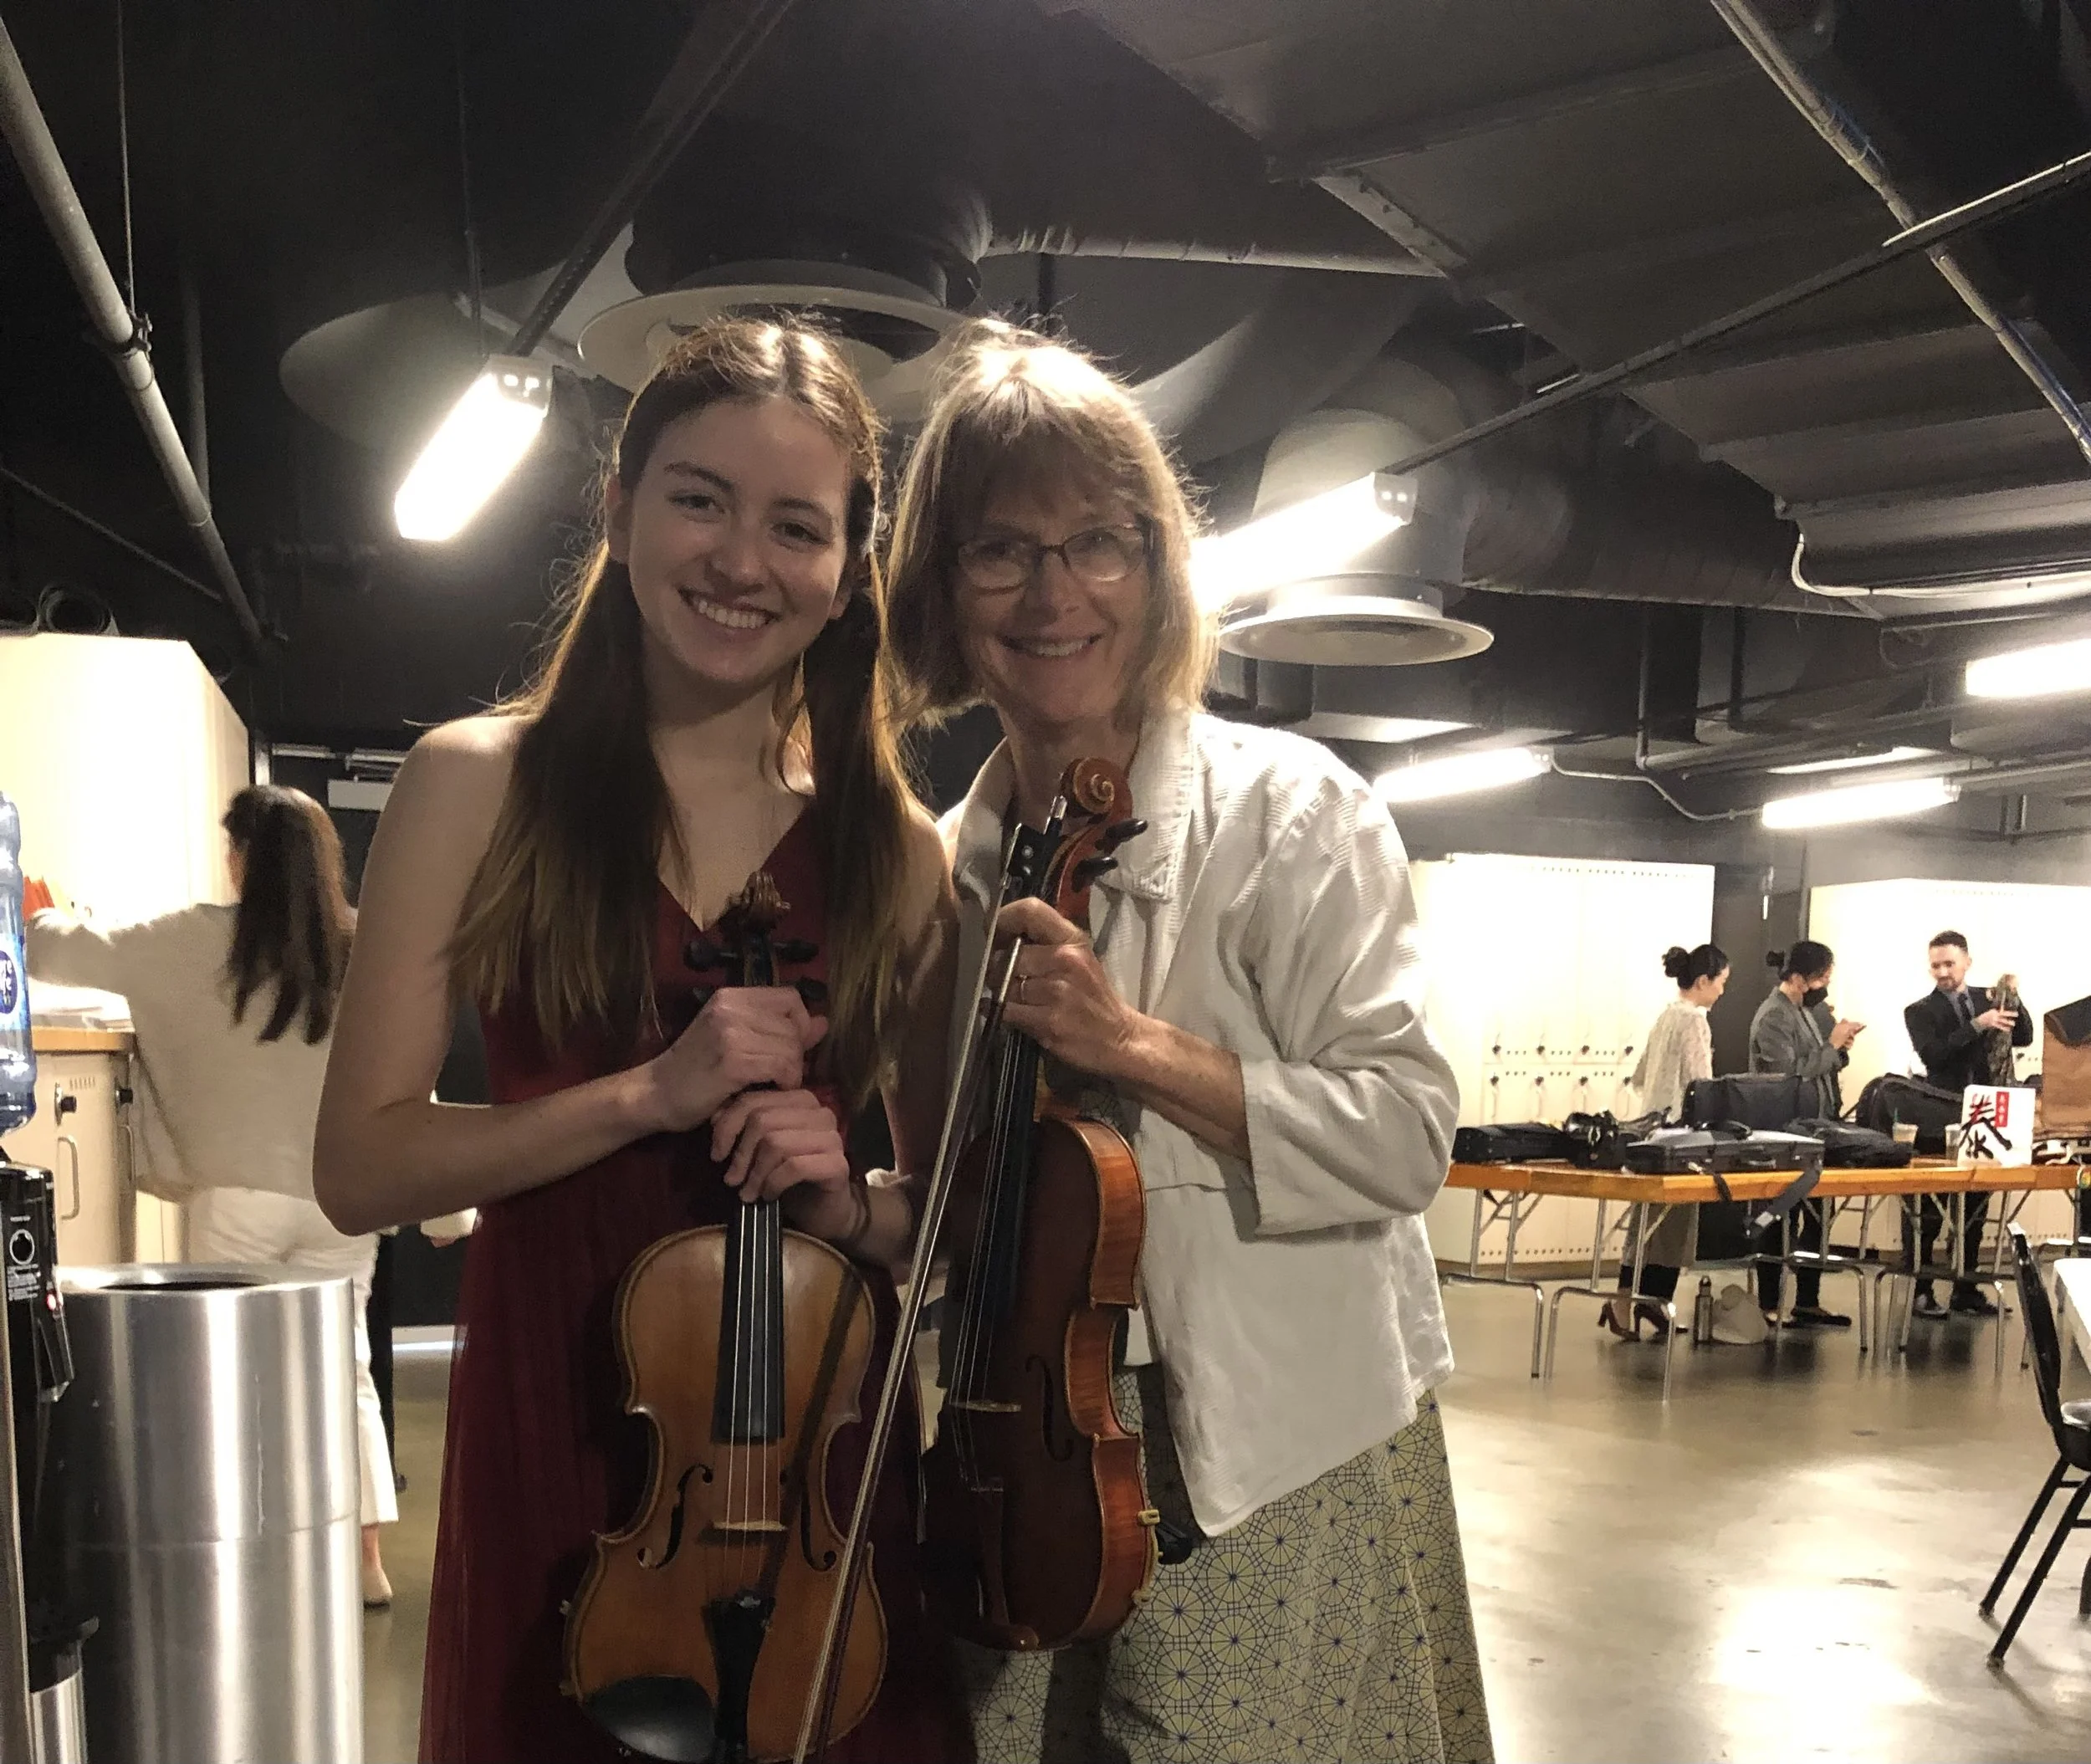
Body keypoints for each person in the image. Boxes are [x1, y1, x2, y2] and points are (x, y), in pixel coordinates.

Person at [312, 317, 970, 1762]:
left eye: (797, 525)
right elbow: (362, 1166)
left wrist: (847, 1198)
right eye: (700, 498)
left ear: (847, 564)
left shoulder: (898, 850)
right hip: (558, 1426)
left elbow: (950, 1223)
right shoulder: (476, 783)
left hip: (811, 1465)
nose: (743, 559)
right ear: (617, 508)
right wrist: (648, 1091)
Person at [882, 321, 1494, 1764]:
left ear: (1158, 570)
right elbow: (967, 1188)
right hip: (1023, 1441)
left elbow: (1407, 1132)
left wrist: (1135, 1045)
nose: (1054, 594)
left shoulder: (1294, 808)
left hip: (1271, 1439)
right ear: (941, 587)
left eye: (1100, 544)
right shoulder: (949, 863)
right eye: (1000, 551)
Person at [27, 785, 400, 1605]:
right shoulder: (367, 947)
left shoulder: (195, 940)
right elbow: (412, 1075)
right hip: (345, 1195)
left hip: (236, 1200)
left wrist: (53, 911)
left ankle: (248, 1552)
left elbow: (58, 951)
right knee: (349, 1371)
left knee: (230, 1375)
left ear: (239, 856)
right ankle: (364, 1559)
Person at [1902, 929, 2032, 1319]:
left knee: (1975, 1205)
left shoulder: (1986, 998)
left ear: (1967, 963)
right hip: (1942, 1113)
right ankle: (1922, 1289)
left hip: (1987, 1112)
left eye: (1949, 964)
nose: (1941, 972)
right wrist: (1977, 1024)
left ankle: (1966, 1287)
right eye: (1935, 965)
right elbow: (1934, 1055)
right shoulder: (1919, 1010)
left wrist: (2014, 1000)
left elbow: (2022, 1037)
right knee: (1928, 1208)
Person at [1601, 943, 1728, 1340]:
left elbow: (1639, 1076)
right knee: (1668, 1225)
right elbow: (1700, 1082)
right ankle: (1633, 1301)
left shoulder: (1666, 1016)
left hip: (1651, 1130)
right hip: (1679, 1134)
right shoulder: (1694, 1020)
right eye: (1722, 982)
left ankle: (1645, 1302)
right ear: (1704, 981)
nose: (1723, 991)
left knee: (1649, 1220)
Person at [1747, 940, 1858, 1328]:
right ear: (1798, 979)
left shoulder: (1804, 1011)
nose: (1826, 984)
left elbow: (1820, 1062)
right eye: (1821, 978)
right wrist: (1830, 1045)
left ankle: (1807, 1299)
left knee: (1816, 1213)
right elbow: (1789, 1074)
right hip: (1784, 1128)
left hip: (1817, 1124)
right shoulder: (1774, 1017)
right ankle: (1769, 1301)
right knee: (1781, 1215)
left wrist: (1839, 1047)